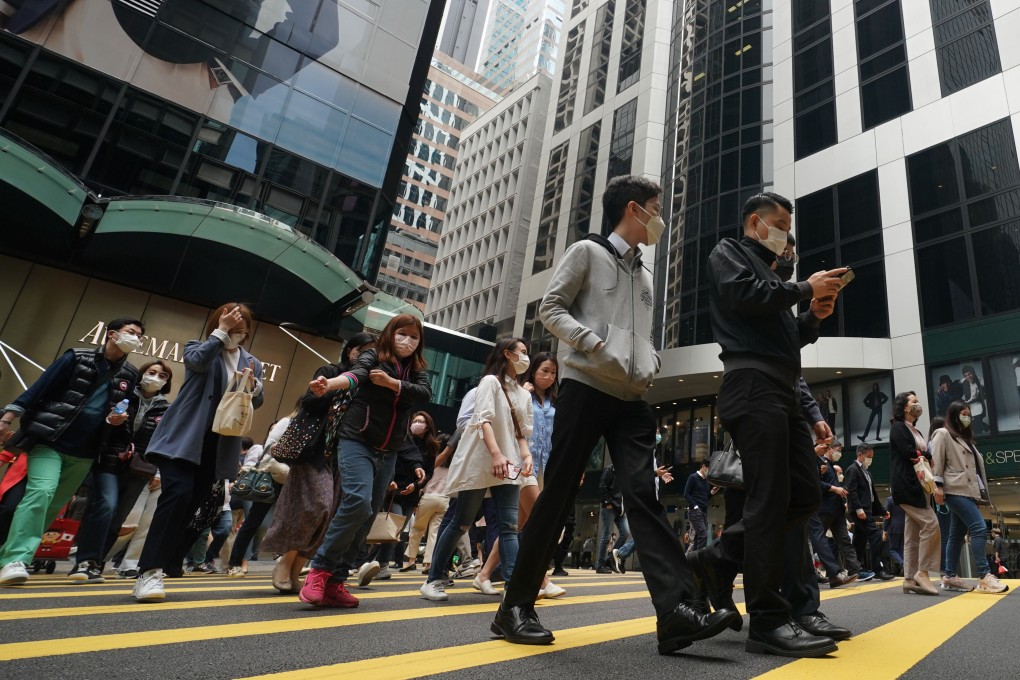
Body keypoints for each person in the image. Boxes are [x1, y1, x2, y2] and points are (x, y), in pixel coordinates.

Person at [493, 175, 738, 653]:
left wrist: (650, 362)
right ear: (633, 209)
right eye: (655, 206)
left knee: (643, 496)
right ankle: (515, 606)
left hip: (631, 399)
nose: (661, 217)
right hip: (586, 388)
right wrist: (592, 342)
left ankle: (675, 614)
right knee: (559, 495)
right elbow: (551, 308)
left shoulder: (646, 276)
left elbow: (642, 337)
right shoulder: (587, 252)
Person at [704, 191, 846, 657]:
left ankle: (718, 560)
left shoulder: (773, 277)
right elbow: (745, 297)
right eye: (779, 222)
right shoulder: (730, 254)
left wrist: (813, 317)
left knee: (803, 494)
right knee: (768, 502)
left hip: (782, 391)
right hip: (751, 386)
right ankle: (767, 620)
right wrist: (806, 288)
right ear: (755, 222)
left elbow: (788, 340)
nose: (785, 232)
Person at [132, 303, 264, 602]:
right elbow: (196, 363)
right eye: (229, 324)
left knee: (191, 504)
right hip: (184, 437)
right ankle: (148, 571)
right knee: (176, 494)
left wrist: (253, 387)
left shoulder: (253, 362)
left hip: (219, 445)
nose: (234, 332)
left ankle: (167, 561)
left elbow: (257, 400)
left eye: (239, 327)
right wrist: (220, 333)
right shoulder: (201, 347)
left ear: (248, 331)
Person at [299, 315, 431, 609]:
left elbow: (424, 393)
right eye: (402, 334)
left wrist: (392, 383)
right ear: (390, 333)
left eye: (414, 337)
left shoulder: (416, 369)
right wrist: (329, 384)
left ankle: (337, 582)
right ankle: (320, 570)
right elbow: (356, 375)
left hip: (390, 451)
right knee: (357, 502)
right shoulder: (374, 355)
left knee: (367, 514)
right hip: (357, 439)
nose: (408, 341)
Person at [0, 317, 143, 586]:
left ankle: (9, 555)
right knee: (41, 493)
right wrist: (7, 418)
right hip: (52, 440)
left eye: (139, 336)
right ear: (112, 334)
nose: (136, 338)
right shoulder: (78, 357)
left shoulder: (130, 374)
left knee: (53, 505)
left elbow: (123, 408)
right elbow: (40, 387)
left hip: (87, 451)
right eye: (131, 332)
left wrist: (115, 420)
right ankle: (14, 559)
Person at [259, 333, 376, 591]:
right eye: (361, 349)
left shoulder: (369, 382)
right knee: (317, 507)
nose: (366, 354)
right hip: (314, 451)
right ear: (350, 351)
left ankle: (296, 570)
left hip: (344, 455)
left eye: (371, 350)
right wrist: (333, 390)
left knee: (329, 515)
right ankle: (284, 562)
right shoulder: (330, 371)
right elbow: (307, 401)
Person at [421, 338, 534, 601]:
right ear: (507, 354)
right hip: (481, 460)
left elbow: (520, 434)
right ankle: (433, 579)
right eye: (523, 353)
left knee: (508, 526)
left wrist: (526, 456)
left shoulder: (524, 394)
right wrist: (495, 454)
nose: (527, 358)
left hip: (509, 464)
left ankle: (513, 587)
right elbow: (484, 420)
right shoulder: (490, 383)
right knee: (461, 522)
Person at [70, 360, 173, 583]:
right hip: (109, 460)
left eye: (162, 375)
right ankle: (85, 561)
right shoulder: (123, 396)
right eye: (151, 372)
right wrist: (110, 421)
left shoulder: (166, 409)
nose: (155, 377)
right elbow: (100, 424)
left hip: (140, 468)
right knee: (105, 505)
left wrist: (157, 471)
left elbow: (163, 443)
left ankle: (96, 562)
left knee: (118, 519)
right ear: (142, 373)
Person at [930, 400, 1007, 594]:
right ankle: (984, 575)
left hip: (966, 491)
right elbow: (937, 461)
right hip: (953, 489)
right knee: (979, 527)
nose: (967, 417)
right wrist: (937, 486)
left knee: (956, 536)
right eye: (963, 413)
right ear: (955, 415)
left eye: (968, 414)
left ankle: (949, 576)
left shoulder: (965, 439)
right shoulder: (943, 433)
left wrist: (976, 496)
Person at [226, 414, 293, 583]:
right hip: (272, 479)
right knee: (253, 522)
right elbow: (269, 448)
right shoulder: (286, 422)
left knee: (288, 521)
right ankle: (235, 562)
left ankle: (285, 562)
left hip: (291, 480)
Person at [889, 391, 941, 596]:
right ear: (904, 407)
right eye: (914, 401)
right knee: (931, 524)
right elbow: (909, 452)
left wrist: (923, 456)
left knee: (912, 535)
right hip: (907, 486)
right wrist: (926, 455)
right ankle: (923, 572)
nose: (918, 404)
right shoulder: (898, 427)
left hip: (918, 486)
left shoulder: (915, 430)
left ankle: (909, 579)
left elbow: (917, 454)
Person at [843, 444, 894, 580]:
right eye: (868, 456)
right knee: (876, 536)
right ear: (860, 455)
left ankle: (855, 569)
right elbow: (851, 491)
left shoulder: (867, 472)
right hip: (860, 510)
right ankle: (878, 569)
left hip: (867, 510)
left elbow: (872, 495)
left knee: (860, 540)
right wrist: (859, 509)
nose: (870, 459)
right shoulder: (852, 470)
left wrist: (882, 511)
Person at [595, 464, 630, 573]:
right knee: (606, 536)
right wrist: (607, 502)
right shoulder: (610, 469)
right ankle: (600, 566)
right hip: (610, 507)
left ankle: (610, 559)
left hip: (621, 509)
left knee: (625, 533)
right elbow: (602, 485)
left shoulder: (626, 471)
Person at [683, 461, 711, 552]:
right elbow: (686, 494)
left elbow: (706, 496)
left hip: (704, 511)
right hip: (695, 511)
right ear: (703, 466)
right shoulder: (693, 477)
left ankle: (689, 562)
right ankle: (699, 561)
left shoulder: (706, 481)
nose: (709, 471)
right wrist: (695, 506)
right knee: (703, 535)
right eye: (708, 468)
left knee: (696, 539)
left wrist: (712, 492)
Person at [958, 365, 989, 434]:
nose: (968, 377)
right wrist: (941, 388)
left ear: (973, 373)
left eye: (970, 374)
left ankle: (980, 431)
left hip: (978, 405)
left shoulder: (981, 381)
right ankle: (985, 427)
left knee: (977, 429)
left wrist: (982, 396)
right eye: (966, 375)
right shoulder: (963, 382)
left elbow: (987, 393)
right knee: (965, 423)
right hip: (967, 406)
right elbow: (953, 384)